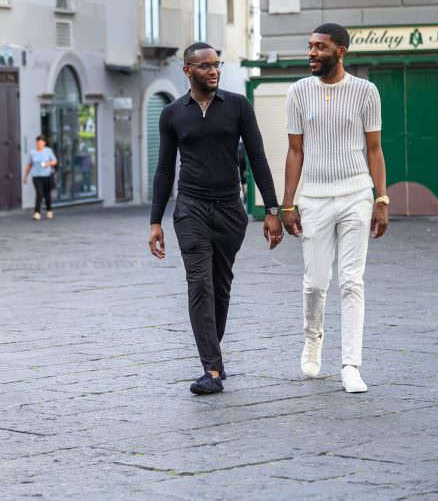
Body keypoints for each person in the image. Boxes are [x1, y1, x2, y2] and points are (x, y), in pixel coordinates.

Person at [148, 42, 283, 396]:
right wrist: (155, 221)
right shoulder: (173, 114)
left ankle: (213, 358)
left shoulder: (237, 106)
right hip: (190, 207)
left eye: (216, 65)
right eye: (205, 66)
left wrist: (272, 210)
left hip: (229, 210)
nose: (213, 70)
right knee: (200, 284)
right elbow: (164, 169)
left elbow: (258, 157)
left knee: (220, 287)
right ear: (187, 70)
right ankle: (212, 368)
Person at [281, 23, 388, 394]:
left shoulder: (365, 92)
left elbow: (374, 150)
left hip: (357, 192)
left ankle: (350, 364)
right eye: (309, 46)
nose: (311, 53)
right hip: (313, 197)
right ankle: (313, 339)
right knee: (314, 283)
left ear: (340, 51)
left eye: (320, 47)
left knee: (351, 281)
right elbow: (295, 151)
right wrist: (288, 204)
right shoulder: (298, 92)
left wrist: (381, 199)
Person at [23, 135, 57, 220]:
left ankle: (49, 210)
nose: (39, 143)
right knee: (39, 193)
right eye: (38, 142)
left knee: (47, 195)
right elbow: (29, 165)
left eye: (41, 142)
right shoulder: (32, 152)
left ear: (44, 143)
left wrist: (47, 164)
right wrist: (25, 176)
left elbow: (54, 161)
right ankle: (37, 213)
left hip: (47, 176)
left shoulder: (48, 151)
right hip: (36, 176)